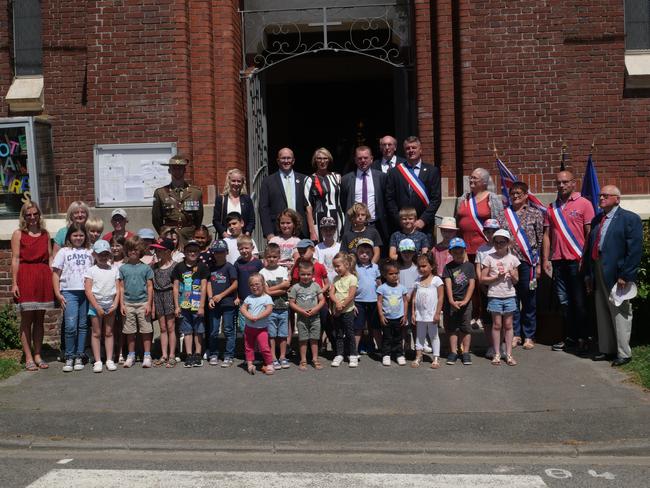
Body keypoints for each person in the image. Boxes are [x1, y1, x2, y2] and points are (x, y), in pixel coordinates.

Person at [583, 185, 643, 367]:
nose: (601, 198)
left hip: (618, 272)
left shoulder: (629, 219)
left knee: (620, 310)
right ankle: (607, 349)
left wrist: (626, 274)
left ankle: (623, 352)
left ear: (617, 199)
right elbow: (590, 248)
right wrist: (589, 273)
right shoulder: (597, 219)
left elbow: (634, 250)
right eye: (600, 195)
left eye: (605, 195)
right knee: (602, 309)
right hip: (598, 267)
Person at [542, 170, 594, 354]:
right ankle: (570, 337)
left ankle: (584, 337)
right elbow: (547, 236)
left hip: (577, 261)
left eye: (565, 182)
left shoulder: (584, 204)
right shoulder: (551, 208)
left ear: (574, 183)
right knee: (564, 303)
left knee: (579, 302)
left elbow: (590, 234)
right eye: (558, 183)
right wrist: (546, 259)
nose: (561, 185)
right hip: (558, 261)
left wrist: (586, 260)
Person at [11, 201, 55, 371]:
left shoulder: (45, 234)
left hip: (43, 276)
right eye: (28, 214)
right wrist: (15, 282)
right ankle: (28, 357)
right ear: (24, 216)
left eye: (35, 214)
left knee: (39, 319)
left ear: (39, 214)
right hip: (26, 275)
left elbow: (50, 258)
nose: (32, 217)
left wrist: (54, 278)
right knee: (27, 318)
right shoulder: (18, 234)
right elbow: (15, 259)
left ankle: (38, 354)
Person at [504, 182, 544, 350]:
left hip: (529, 262)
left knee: (529, 299)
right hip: (509, 263)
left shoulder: (535, 214)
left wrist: (540, 263)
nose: (515, 196)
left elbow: (540, 239)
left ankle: (529, 335)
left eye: (519, 193)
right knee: (512, 298)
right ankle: (516, 334)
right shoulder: (504, 214)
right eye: (512, 193)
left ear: (526, 195)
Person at [52, 223, 93, 372]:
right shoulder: (63, 251)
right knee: (70, 326)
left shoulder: (90, 251)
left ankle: (79, 355)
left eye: (81, 235)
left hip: (86, 292)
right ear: (69, 236)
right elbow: (56, 273)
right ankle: (69, 355)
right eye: (75, 235)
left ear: (85, 236)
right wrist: (58, 293)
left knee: (82, 326)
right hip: (69, 292)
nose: (78, 238)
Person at [385, 136, 441, 234]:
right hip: (401, 227)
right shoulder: (395, 172)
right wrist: (400, 220)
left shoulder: (432, 171)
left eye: (414, 147)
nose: (411, 150)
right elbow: (389, 199)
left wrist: (423, 220)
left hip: (424, 227)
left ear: (420, 150)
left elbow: (435, 199)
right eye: (408, 148)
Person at [481, 229, 520, 366]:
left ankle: (508, 354)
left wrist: (512, 275)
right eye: (496, 242)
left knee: (508, 325)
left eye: (502, 242)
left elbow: (516, 281)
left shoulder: (513, 259)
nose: (499, 245)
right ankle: (497, 353)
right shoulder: (489, 257)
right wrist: (496, 277)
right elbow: (482, 279)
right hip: (495, 295)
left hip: (509, 295)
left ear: (508, 243)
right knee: (497, 325)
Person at [340, 146, 389, 249]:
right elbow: (344, 202)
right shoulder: (346, 179)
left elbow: (385, 201)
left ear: (371, 159)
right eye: (360, 158)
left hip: (376, 225)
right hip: (355, 227)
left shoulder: (381, 177)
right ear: (355, 160)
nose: (363, 161)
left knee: (378, 256)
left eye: (365, 158)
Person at [84, 240, 120, 373]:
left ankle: (109, 359)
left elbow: (118, 289)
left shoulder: (114, 269)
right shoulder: (91, 271)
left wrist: (115, 304)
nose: (103, 257)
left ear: (109, 255)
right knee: (96, 333)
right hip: (95, 305)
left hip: (110, 304)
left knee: (109, 332)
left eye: (106, 254)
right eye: (100, 254)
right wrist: (96, 306)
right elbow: (88, 290)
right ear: (94, 254)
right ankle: (98, 360)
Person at [172, 239, 209, 368]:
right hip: (184, 305)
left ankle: (198, 354)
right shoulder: (179, 267)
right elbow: (176, 287)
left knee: (199, 330)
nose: (192, 253)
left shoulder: (203, 266)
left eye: (195, 251)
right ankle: (188, 354)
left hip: (198, 304)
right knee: (187, 330)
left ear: (199, 252)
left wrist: (202, 306)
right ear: (185, 252)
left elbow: (204, 287)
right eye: (189, 251)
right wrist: (177, 306)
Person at [118, 236, 154, 369]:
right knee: (129, 331)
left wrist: (149, 304)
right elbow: (121, 287)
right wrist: (121, 304)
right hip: (128, 303)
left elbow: (150, 287)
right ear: (127, 251)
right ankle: (131, 355)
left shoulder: (146, 268)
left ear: (140, 251)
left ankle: (147, 355)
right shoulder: (123, 268)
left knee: (145, 330)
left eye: (136, 249)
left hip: (143, 303)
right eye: (131, 249)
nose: (133, 252)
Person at [454, 168, 505, 258]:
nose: (471, 180)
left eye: (475, 178)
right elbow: (455, 221)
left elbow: (501, 222)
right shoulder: (463, 198)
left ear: (484, 182)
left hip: (485, 248)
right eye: (471, 177)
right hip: (463, 249)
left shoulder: (492, 199)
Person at [152, 154, 203, 243]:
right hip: (169, 235)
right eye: (174, 168)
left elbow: (198, 217)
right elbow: (156, 219)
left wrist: (193, 231)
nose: (177, 171)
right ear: (169, 170)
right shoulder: (160, 193)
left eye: (180, 168)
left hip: (188, 235)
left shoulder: (196, 193)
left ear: (185, 170)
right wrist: (164, 233)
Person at [259, 147, 307, 239]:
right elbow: (263, 208)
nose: (286, 161)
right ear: (278, 161)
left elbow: (309, 207)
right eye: (283, 158)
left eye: (289, 158)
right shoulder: (268, 181)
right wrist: (268, 233)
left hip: (301, 231)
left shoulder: (304, 179)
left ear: (293, 161)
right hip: (277, 231)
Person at [442, 237, 476, 366]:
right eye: (454, 252)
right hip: (452, 302)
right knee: (452, 328)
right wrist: (451, 300)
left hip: (466, 302)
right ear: (450, 253)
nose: (457, 254)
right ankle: (453, 351)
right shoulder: (448, 267)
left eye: (460, 251)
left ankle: (466, 352)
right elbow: (448, 285)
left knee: (466, 328)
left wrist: (466, 300)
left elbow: (472, 284)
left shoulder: (469, 266)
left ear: (464, 251)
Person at [289, 261, 326, 371]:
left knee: (314, 339)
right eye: (303, 274)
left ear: (312, 274)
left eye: (308, 274)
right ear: (299, 274)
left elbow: (322, 300)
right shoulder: (296, 287)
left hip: (315, 317)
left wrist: (315, 309)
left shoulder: (316, 286)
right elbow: (291, 303)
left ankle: (315, 359)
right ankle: (303, 360)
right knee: (303, 339)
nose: (306, 277)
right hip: (302, 318)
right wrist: (300, 311)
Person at [260, 242, 291, 370]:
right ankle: (273, 357)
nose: (271, 259)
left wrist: (272, 289)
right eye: (269, 257)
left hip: (283, 307)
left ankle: (282, 357)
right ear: (265, 258)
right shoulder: (262, 272)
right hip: (270, 309)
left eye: (274, 257)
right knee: (271, 334)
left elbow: (286, 287)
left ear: (279, 257)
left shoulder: (283, 270)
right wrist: (279, 289)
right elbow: (266, 291)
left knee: (283, 334)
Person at [207, 240, 238, 367]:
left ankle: (229, 355)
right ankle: (214, 353)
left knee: (228, 330)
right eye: (216, 252)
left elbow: (235, 284)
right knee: (213, 330)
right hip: (214, 304)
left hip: (228, 303)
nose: (219, 254)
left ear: (226, 252)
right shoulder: (211, 267)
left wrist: (221, 295)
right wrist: (210, 298)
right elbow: (209, 283)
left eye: (221, 252)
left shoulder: (230, 267)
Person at [411, 253, 444, 369]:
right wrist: (413, 313)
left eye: (424, 266)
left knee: (434, 335)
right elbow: (414, 298)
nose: (421, 269)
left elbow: (440, 297)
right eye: (419, 266)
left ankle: (436, 357)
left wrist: (437, 313)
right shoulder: (417, 281)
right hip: (420, 314)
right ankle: (418, 356)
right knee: (419, 336)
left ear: (432, 266)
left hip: (432, 314)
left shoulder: (437, 280)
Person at [304, 148, 344, 242]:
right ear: (315, 161)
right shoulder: (310, 180)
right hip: (319, 219)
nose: (322, 161)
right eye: (319, 158)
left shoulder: (337, 177)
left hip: (337, 217)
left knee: (338, 248)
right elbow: (308, 207)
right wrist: (312, 231)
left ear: (329, 160)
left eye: (325, 158)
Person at [150, 238, 177, 367]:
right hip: (158, 296)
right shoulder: (154, 266)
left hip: (170, 295)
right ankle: (164, 354)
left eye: (159, 250)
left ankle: (172, 355)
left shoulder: (175, 266)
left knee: (171, 327)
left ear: (168, 251)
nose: (157, 252)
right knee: (162, 327)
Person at [240, 274, 274, 375]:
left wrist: (258, 317)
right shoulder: (249, 298)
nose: (254, 287)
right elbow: (243, 308)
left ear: (263, 285)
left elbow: (269, 310)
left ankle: (269, 364)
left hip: (261, 329)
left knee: (264, 347)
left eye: (257, 284)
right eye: (251, 285)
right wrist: (249, 316)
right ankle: (250, 364)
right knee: (248, 347)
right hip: (249, 328)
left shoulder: (267, 298)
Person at [377, 260, 409, 367]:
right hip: (387, 318)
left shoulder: (402, 288)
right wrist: (381, 315)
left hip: (399, 317)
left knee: (398, 338)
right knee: (387, 337)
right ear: (385, 275)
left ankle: (399, 355)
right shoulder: (382, 288)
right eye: (391, 274)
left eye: (396, 273)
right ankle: (386, 355)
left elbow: (405, 301)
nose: (394, 276)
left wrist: (405, 315)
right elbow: (379, 302)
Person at [475, 218, 500, 354]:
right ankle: (491, 345)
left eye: (494, 231)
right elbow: (478, 269)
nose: (491, 234)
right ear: (484, 232)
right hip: (486, 289)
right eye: (488, 231)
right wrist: (482, 285)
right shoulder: (481, 250)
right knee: (487, 318)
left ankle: (500, 344)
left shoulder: (503, 247)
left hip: (501, 289)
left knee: (500, 318)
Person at [329, 252, 358, 368]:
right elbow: (331, 293)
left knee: (350, 333)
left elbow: (351, 295)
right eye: (334, 266)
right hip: (337, 311)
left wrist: (342, 305)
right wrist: (336, 303)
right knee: (339, 333)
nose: (336, 269)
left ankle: (353, 355)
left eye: (338, 266)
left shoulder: (352, 278)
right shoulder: (335, 279)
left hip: (348, 311)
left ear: (346, 264)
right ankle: (339, 354)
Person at [353, 238, 381, 356]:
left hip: (374, 301)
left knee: (375, 327)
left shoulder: (375, 267)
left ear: (372, 254)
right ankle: (354, 350)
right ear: (357, 253)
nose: (364, 255)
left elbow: (379, 283)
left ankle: (382, 350)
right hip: (359, 301)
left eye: (367, 252)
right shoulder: (354, 267)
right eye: (361, 252)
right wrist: (352, 303)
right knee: (358, 327)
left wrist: (381, 299)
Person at [212, 168, 255, 238]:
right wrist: (224, 234)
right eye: (233, 181)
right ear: (229, 181)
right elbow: (216, 220)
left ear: (242, 183)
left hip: (242, 240)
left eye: (239, 181)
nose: (236, 184)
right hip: (226, 239)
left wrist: (247, 234)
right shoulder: (221, 199)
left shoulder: (247, 199)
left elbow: (251, 220)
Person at [234, 236, 264, 332]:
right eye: (241, 249)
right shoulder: (237, 263)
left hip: (257, 299)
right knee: (244, 326)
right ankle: (247, 345)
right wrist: (237, 297)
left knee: (258, 324)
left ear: (252, 248)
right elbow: (235, 281)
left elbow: (263, 281)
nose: (244, 250)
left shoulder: (258, 263)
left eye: (246, 248)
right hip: (243, 300)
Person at [314, 216, 341, 284]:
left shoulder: (340, 247)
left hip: (338, 282)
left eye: (331, 229)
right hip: (323, 283)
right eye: (325, 229)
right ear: (321, 231)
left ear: (335, 230)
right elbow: (316, 265)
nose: (328, 232)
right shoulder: (317, 248)